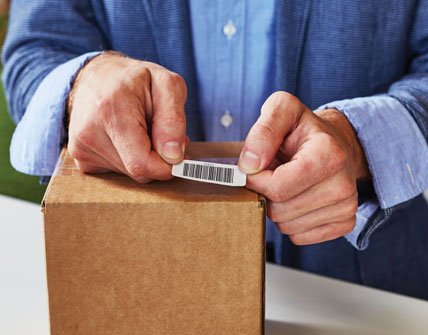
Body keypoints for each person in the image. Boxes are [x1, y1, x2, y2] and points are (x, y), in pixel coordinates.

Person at [2, 1, 428, 298]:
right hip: (132, 291)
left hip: (370, 301)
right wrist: (84, 84)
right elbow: (33, 50)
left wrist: (357, 141)